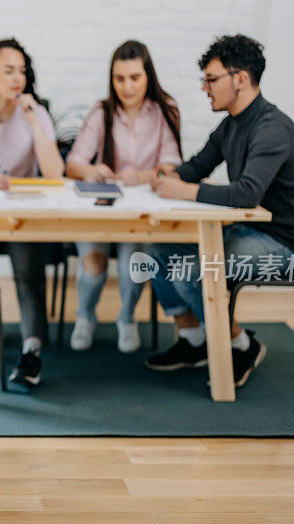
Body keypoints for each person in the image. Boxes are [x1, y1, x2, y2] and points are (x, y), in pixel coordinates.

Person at [146, 34, 294, 387]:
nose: (205, 88)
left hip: (281, 243)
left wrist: (185, 190)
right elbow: (197, 166)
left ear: (241, 79)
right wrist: (165, 175)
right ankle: (194, 342)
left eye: (212, 79)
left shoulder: (272, 126)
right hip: (246, 231)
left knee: (190, 269)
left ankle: (241, 345)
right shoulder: (232, 123)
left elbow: (248, 193)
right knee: (157, 251)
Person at [0, 37, 64, 388]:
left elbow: (54, 173)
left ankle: (31, 354)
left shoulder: (37, 113)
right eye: (8, 70)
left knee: (28, 278)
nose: (18, 77)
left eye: (22, 70)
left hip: (22, 219)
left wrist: (33, 120)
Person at [66, 40, 182, 353]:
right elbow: (73, 163)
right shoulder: (100, 112)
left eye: (135, 78)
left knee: (136, 265)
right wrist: (92, 171)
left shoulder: (164, 111)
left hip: (140, 213)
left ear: (148, 78)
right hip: (101, 210)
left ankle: (127, 319)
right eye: (119, 79)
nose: (127, 87)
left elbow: (174, 166)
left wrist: (143, 176)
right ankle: (85, 316)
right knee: (93, 264)